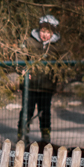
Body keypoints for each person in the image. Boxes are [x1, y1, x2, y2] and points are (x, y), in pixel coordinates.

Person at [21, 14, 61, 143]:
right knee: (27, 110)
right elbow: (21, 56)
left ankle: (45, 135)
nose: (44, 35)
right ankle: (22, 133)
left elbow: (63, 62)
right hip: (31, 85)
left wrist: (57, 74)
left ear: (53, 33)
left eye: (48, 32)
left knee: (45, 112)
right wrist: (23, 69)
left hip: (46, 86)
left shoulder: (56, 46)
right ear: (39, 30)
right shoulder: (29, 42)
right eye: (43, 31)